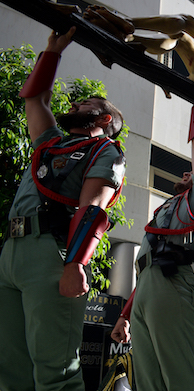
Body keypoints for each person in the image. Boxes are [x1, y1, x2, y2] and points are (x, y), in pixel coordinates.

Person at [0, 27, 126, 391]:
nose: (74, 106)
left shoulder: (106, 151)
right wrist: (52, 52)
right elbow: (34, 100)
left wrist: (77, 264)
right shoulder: (52, 143)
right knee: (10, 368)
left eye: (89, 105)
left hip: (51, 253)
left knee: (56, 371)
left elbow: (93, 208)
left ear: (105, 121)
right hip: (13, 250)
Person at [110, 90, 194, 391]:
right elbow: (147, 264)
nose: (186, 172)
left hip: (173, 283)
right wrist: (125, 316)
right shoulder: (166, 208)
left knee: (179, 374)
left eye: (191, 174)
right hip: (147, 285)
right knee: (148, 379)